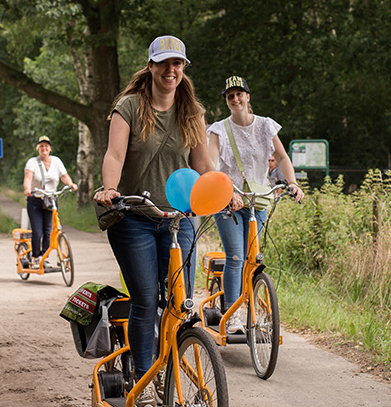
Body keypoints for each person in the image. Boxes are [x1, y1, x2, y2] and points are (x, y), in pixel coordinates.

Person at [94, 35, 215, 407]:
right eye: (163, 63)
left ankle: (170, 362)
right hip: (134, 218)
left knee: (180, 302)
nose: (171, 70)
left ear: (183, 68)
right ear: (150, 67)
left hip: (178, 220)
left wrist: (226, 194)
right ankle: (143, 380)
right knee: (147, 300)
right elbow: (114, 155)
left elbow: (204, 167)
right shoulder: (128, 107)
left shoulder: (192, 111)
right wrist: (110, 188)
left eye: (177, 64)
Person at [207, 76, 304, 334]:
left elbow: (281, 156)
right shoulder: (218, 130)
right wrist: (226, 192)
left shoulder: (264, 126)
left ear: (248, 97)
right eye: (230, 96)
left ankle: (252, 305)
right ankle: (233, 314)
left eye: (240, 94)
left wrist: (292, 182)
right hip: (228, 201)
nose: (235, 99)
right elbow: (211, 165)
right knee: (237, 257)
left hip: (257, 200)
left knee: (254, 258)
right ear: (227, 101)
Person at [23, 135, 77, 269]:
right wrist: (27, 189)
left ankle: (45, 257)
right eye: (41, 146)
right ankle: (36, 257)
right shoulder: (32, 162)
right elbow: (28, 177)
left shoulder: (57, 162)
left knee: (49, 231)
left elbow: (64, 176)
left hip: (51, 200)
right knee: (37, 231)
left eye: (46, 146)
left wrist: (71, 184)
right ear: (38, 148)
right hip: (35, 200)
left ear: (50, 148)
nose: (44, 148)